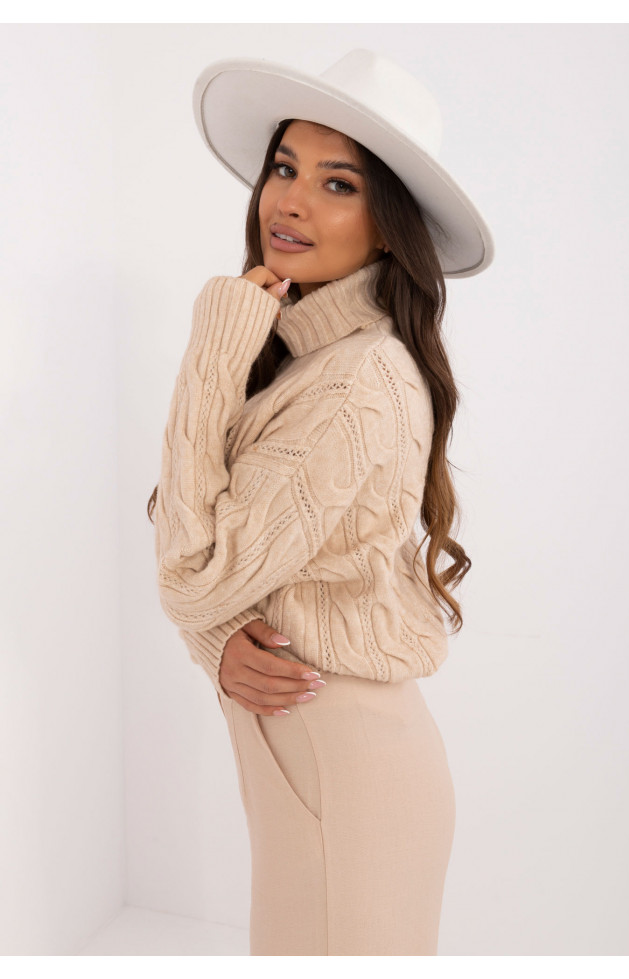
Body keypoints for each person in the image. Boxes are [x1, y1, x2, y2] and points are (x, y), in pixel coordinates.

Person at [147, 50, 493, 956]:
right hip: (310, 758)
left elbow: (194, 571)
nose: (291, 201)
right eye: (285, 168)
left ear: (388, 229)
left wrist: (215, 345)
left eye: (338, 183)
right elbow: (209, 555)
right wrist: (220, 641)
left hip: (349, 766)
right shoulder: (309, 361)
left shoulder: (356, 381)